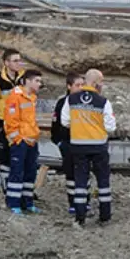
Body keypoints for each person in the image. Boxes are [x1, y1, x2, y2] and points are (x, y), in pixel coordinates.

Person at [61, 69, 116, 226]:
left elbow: (65, 121)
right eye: (102, 82)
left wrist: (81, 127)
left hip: (78, 146)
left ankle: (80, 217)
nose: (102, 85)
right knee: (103, 181)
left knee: (80, 182)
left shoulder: (71, 100)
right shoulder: (103, 102)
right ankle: (105, 216)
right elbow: (111, 127)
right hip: (98, 146)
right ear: (96, 83)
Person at [0, 49, 27, 200]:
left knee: (21, 156)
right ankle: (6, 186)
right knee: (5, 157)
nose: (19, 63)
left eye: (20, 60)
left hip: (21, 125)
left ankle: (21, 189)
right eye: (15, 61)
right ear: (6, 63)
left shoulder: (24, 79)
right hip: (5, 124)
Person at [1, 70, 43, 215]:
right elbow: (11, 122)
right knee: (17, 173)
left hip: (30, 141)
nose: (39, 84)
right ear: (27, 81)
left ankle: (28, 202)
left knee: (30, 172)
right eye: (37, 81)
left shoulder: (31, 97)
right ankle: (13, 203)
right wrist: (17, 140)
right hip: (21, 141)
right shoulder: (15, 97)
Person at [51, 71, 85, 214]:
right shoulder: (62, 103)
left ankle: (84, 201)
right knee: (70, 174)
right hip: (67, 143)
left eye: (82, 85)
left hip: (83, 144)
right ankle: (72, 203)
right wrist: (59, 143)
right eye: (77, 85)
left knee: (84, 174)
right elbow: (55, 125)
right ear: (69, 86)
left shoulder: (86, 102)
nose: (81, 88)